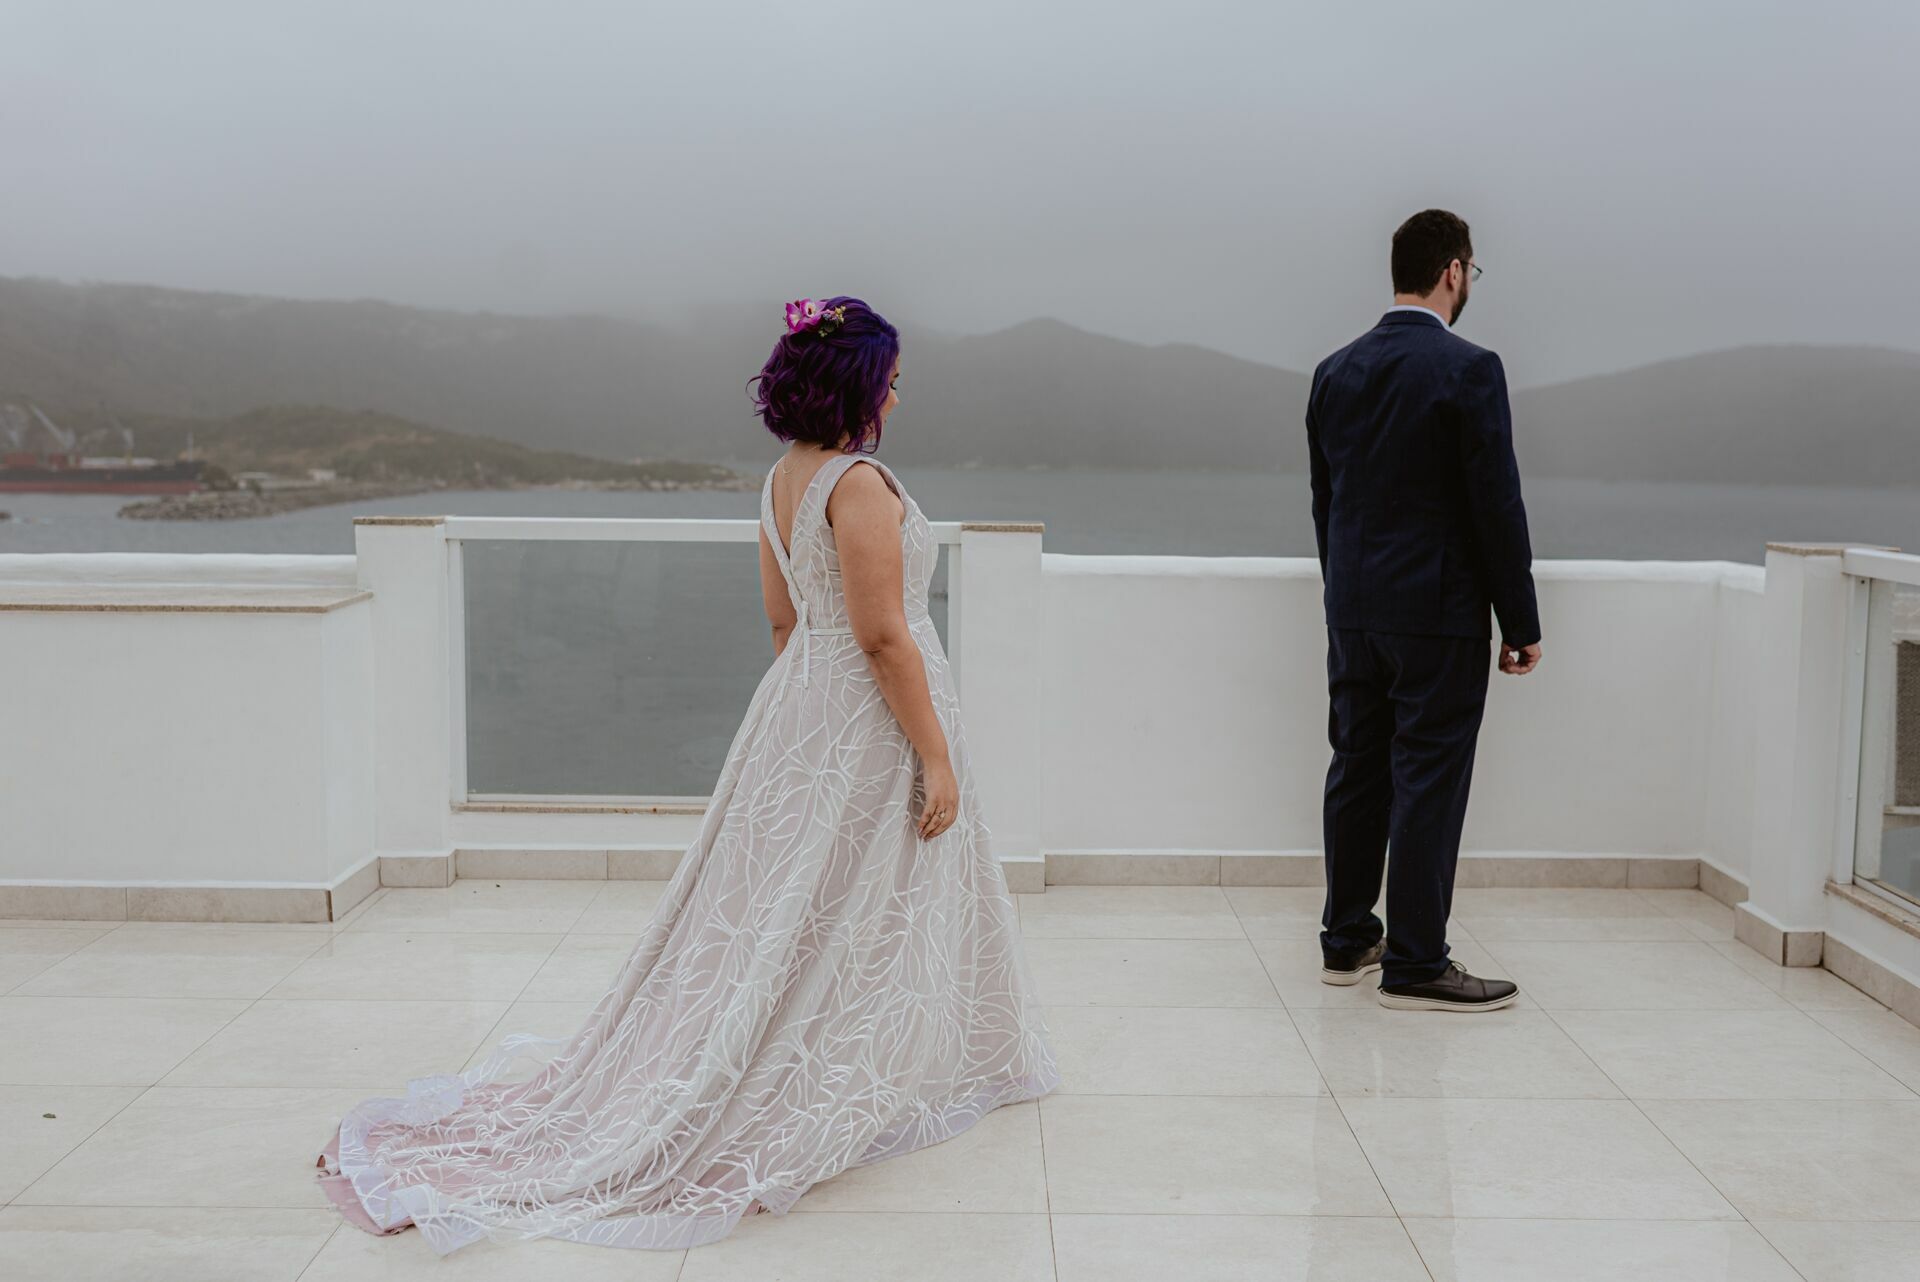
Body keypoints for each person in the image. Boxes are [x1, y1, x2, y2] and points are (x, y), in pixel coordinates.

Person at [316, 295, 1060, 1253]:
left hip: (801, 706)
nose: (899, 392)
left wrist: (804, 721)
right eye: (893, 375)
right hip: (868, 717)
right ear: (860, 381)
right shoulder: (862, 484)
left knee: (792, 907)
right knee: (845, 903)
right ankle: (837, 1070)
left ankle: (832, 1056)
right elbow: (883, 634)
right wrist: (934, 752)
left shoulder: (783, 479)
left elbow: (786, 622)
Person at [1305, 210, 1541, 1012]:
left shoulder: (1334, 371)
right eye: (1471, 271)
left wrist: (1343, 596)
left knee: (1357, 768)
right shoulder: (1470, 369)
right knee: (1429, 781)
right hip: (1436, 615)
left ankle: (1346, 941)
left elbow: (1325, 502)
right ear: (1452, 271)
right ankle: (1414, 961)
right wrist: (1522, 622)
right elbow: (1495, 505)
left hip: (1355, 612)